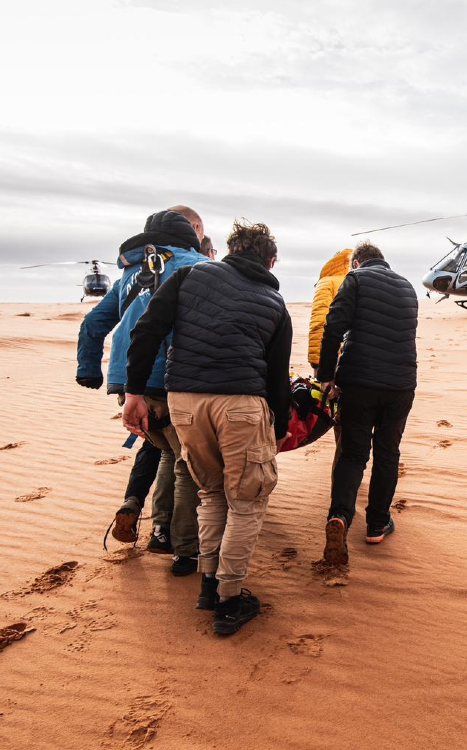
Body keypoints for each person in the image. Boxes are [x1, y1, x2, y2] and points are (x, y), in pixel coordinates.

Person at [123, 220, 292, 636]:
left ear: (232, 250)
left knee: (211, 492)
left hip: (185, 402)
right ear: (271, 260)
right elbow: (277, 376)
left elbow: (146, 331)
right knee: (247, 500)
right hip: (241, 404)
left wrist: (134, 393)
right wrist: (282, 427)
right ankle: (230, 601)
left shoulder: (188, 275)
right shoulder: (273, 299)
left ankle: (209, 582)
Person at [76, 209, 208, 575]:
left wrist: (90, 372)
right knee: (188, 465)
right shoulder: (197, 266)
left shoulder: (129, 274)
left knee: (163, 451)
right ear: (191, 236)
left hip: (129, 385)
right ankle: (186, 551)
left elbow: (92, 323)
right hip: (174, 380)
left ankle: (159, 528)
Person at [317, 240, 418, 566]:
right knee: (388, 453)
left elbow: (333, 327)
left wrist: (326, 375)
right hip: (400, 386)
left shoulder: (356, 279)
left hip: (359, 382)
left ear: (357, 263)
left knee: (353, 455)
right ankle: (376, 524)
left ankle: (340, 518)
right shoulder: (407, 286)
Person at [308, 248, 352, 373]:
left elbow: (320, 321)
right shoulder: (357, 282)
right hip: (357, 359)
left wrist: (318, 363)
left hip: (331, 357)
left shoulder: (326, 283)